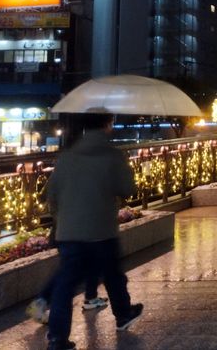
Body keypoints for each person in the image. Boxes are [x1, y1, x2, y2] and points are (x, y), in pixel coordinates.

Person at [45, 111, 143, 350]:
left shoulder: (66, 157)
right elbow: (128, 188)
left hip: (69, 233)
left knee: (65, 286)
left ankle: (57, 339)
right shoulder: (111, 155)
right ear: (107, 124)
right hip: (100, 229)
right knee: (112, 274)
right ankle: (123, 314)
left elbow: (51, 195)